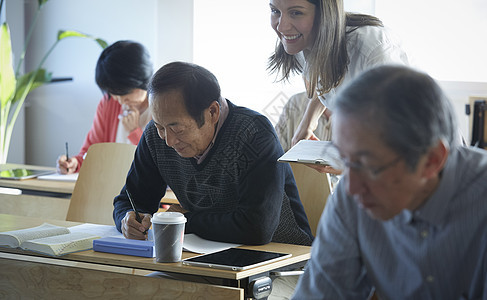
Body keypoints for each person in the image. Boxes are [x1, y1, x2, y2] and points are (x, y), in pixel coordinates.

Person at [292, 65, 487, 299]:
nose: (351, 187)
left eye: (368, 165)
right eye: (345, 161)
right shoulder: (352, 195)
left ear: (431, 160)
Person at [113, 61, 313, 247]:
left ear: (212, 112)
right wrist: (127, 219)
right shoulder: (155, 136)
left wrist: (185, 220)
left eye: (178, 129)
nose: (168, 141)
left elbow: (256, 228)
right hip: (203, 260)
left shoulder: (253, 134)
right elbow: (130, 200)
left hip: (282, 262)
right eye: (159, 127)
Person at [268, 0, 409, 150]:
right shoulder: (301, 42)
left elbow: (399, 127)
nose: (282, 27)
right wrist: (308, 122)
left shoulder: (373, 49)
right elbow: (327, 79)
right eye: (275, 11)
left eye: (296, 13)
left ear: (325, 14)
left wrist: (350, 163)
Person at [56, 40, 153, 174]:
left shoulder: (161, 107)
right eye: (114, 93)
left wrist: (134, 132)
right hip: (110, 187)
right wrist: (74, 164)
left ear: (143, 79)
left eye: (124, 92)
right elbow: (91, 153)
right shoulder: (108, 103)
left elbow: (157, 165)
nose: (120, 100)